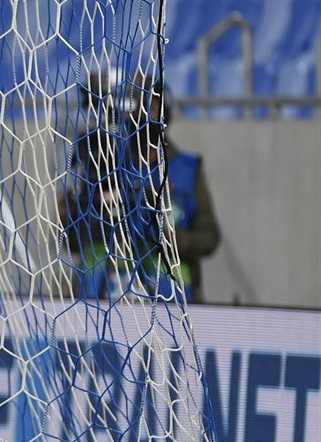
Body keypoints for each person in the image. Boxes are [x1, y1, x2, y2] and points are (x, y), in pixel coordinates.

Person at [62, 75, 220, 303]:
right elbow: (71, 241)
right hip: (102, 299)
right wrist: (74, 215)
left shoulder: (187, 169)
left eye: (154, 107)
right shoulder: (102, 165)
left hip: (171, 301)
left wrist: (173, 240)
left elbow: (210, 237)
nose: (148, 115)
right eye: (142, 106)